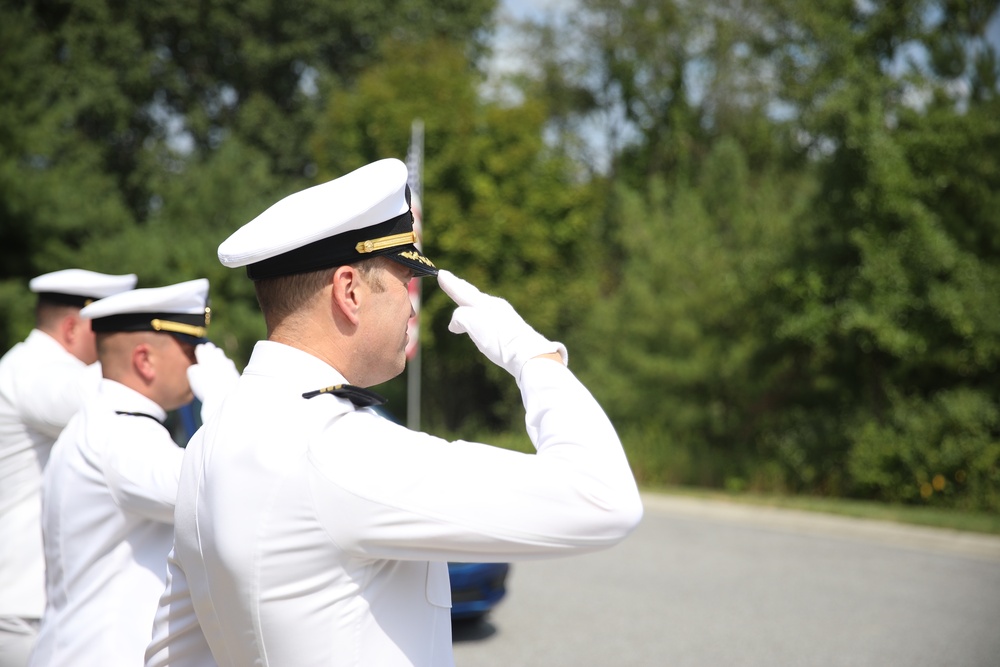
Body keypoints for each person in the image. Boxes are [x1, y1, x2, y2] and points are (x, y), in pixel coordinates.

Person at [145, 158, 643, 667]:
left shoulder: (212, 440)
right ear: (350, 291)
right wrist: (534, 357)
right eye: (404, 281)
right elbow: (605, 500)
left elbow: (173, 655)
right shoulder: (337, 447)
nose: (412, 307)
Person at [28, 279, 240, 667]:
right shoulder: (122, 437)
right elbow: (220, 489)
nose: (197, 364)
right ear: (145, 359)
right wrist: (231, 405)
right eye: (191, 351)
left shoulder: (106, 425)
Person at [0, 269, 137, 667]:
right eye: (109, 330)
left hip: (29, 602)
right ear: (73, 327)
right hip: (28, 608)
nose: (113, 344)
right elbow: (109, 395)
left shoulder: (22, 365)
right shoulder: (35, 373)